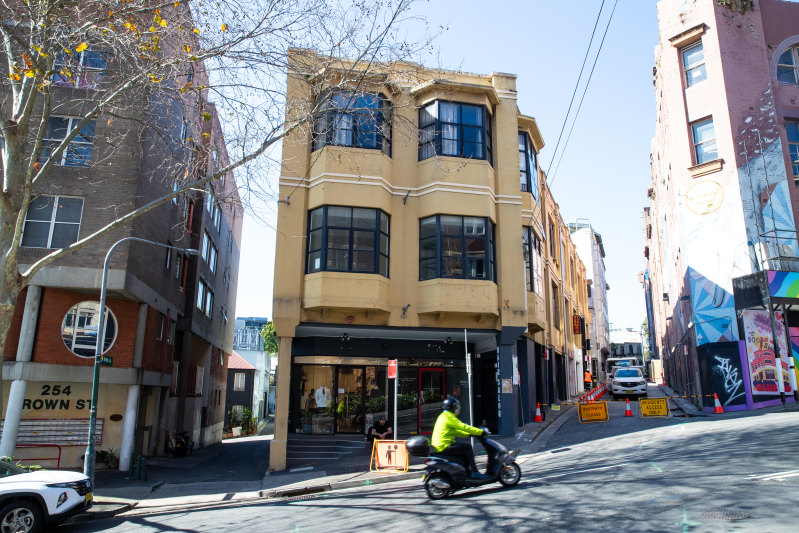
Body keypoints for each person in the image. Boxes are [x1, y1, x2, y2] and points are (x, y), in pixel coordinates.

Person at [431, 398, 488, 479]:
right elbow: (463, 426)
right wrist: (480, 432)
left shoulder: (443, 416)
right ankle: (475, 472)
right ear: (452, 408)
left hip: (440, 445)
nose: (457, 409)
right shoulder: (449, 417)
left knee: (462, 449)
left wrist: (469, 434)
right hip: (444, 445)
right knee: (467, 447)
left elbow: (455, 431)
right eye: (456, 407)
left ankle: (465, 472)